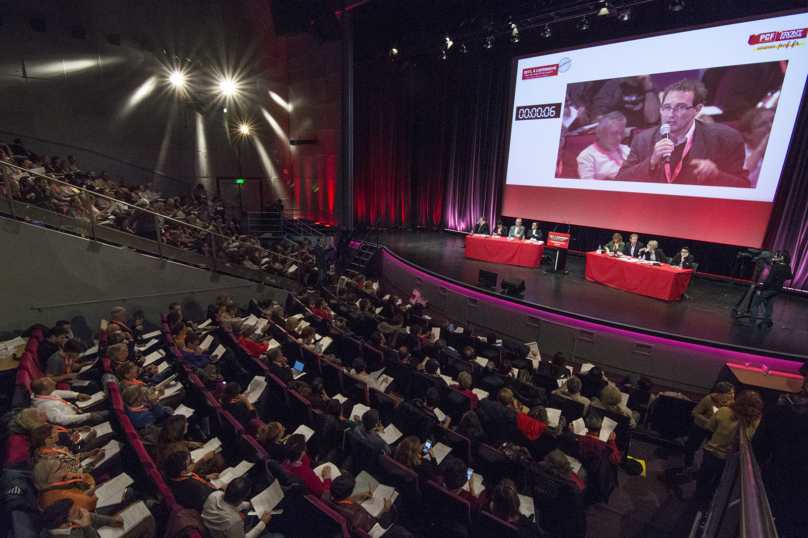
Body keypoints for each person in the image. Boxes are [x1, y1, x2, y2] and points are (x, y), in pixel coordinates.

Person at [615, 79, 750, 188]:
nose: (670, 115)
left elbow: (744, 186)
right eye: (666, 108)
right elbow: (620, 181)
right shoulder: (643, 139)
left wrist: (716, 175)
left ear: (697, 110)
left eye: (680, 107)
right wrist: (651, 162)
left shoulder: (725, 139)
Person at [694, 391, 762, 505]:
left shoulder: (724, 411)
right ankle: (709, 502)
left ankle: (697, 499)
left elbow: (709, 426)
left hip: (712, 451)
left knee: (704, 477)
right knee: (719, 481)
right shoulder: (756, 421)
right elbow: (752, 439)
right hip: (731, 458)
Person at [322, 474, 403, 536]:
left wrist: (359, 496)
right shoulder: (356, 513)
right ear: (348, 494)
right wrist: (384, 510)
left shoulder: (325, 494)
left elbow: (340, 501)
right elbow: (371, 526)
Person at [683, 382, 735, 474]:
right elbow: (695, 412)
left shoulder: (731, 403)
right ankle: (687, 465)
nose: (732, 396)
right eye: (729, 393)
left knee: (709, 450)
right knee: (692, 447)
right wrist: (707, 421)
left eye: (733, 393)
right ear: (721, 393)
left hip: (713, 430)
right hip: (700, 427)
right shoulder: (709, 399)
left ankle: (703, 470)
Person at [201, 477, 274, 538]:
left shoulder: (214, 495)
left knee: (247, 513)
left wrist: (249, 505)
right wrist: (263, 523)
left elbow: (230, 504)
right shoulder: (234, 522)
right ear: (244, 497)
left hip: (211, 531)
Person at [576, 111, 631, 181]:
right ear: (600, 133)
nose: (619, 138)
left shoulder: (626, 149)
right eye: (614, 133)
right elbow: (588, 188)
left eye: (622, 133)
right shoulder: (587, 156)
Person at [29, 425, 105, 474]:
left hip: (78, 465)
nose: (58, 433)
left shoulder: (42, 449)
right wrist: (97, 460)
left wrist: (88, 454)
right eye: (55, 432)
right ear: (48, 440)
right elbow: (81, 472)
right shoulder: (54, 460)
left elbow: (70, 457)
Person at [38, 498, 131, 538]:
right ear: (63, 525)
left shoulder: (66, 519)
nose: (79, 508)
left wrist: (109, 521)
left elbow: (87, 516)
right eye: (74, 511)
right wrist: (87, 527)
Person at [590, 75, 660, 128]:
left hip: (641, 134)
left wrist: (647, 84)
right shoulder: (611, 85)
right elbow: (597, 118)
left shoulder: (650, 87)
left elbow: (652, 119)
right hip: (618, 133)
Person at [30, 377, 105, 426]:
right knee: (106, 413)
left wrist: (77, 395)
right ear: (43, 392)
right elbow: (64, 420)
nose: (55, 383)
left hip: (75, 409)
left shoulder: (42, 393)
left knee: (103, 400)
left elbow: (58, 392)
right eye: (51, 384)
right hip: (74, 422)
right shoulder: (46, 407)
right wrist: (88, 416)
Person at [748, 250, 793, 328]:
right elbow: (790, 277)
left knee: (755, 305)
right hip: (777, 290)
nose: (774, 257)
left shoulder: (776, 267)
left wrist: (760, 289)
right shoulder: (788, 267)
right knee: (769, 306)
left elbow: (768, 280)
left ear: (780, 258)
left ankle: (752, 323)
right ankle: (765, 324)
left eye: (776, 255)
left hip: (768, 289)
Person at [739, 107, 775, 188]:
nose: (771, 126)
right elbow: (745, 182)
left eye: (773, 120)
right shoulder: (739, 153)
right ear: (748, 134)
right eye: (762, 124)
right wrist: (760, 149)